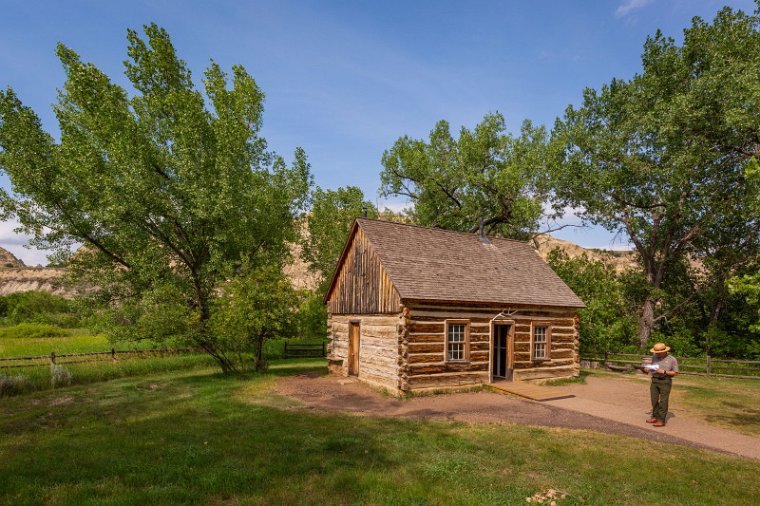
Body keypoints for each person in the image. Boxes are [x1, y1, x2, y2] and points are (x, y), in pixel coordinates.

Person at [643, 342, 679, 427]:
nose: (657, 354)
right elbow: (652, 368)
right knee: (654, 400)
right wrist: (647, 369)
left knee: (663, 401)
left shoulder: (672, 359)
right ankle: (655, 416)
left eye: (658, 352)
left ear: (664, 351)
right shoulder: (654, 357)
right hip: (654, 380)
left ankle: (661, 420)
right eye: (656, 352)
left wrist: (664, 371)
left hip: (665, 381)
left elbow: (676, 373)